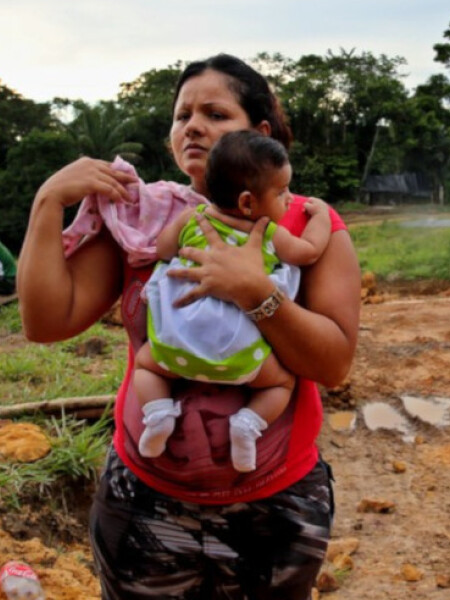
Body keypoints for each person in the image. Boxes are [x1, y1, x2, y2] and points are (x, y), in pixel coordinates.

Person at [17, 53, 360, 599]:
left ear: (260, 133)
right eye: (182, 116)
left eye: (216, 114)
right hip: (143, 502)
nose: (193, 126)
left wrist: (256, 292)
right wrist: (47, 202)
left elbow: (333, 364)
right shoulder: (143, 216)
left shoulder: (305, 224)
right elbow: (46, 322)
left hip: (273, 510)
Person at [135, 130, 332, 471]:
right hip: (239, 355)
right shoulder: (268, 232)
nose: (288, 199)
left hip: (175, 345)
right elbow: (310, 252)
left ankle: (158, 413)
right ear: (246, 203)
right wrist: (322, 217)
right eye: (282, 191)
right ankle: (248, 424)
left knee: (144, 364)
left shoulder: (193, 218)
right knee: (282, 382)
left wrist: (184, 232)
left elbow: (164, 250)